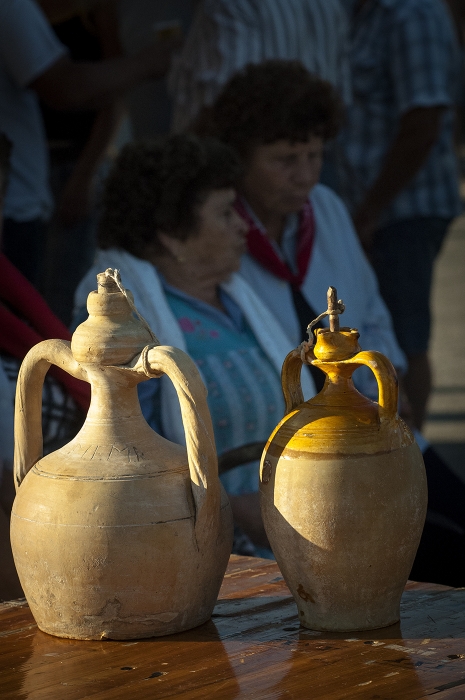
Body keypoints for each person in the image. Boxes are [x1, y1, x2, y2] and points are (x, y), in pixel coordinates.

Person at [193, 59, 465, 586]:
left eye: (315, 155)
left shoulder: (327, 208)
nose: (305, 174)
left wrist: (395, 381)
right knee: (435, 557)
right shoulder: (223, 237)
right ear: (240, 160)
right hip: (312, 455)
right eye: (285, 158)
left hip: (372, 418)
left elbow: (373, 311)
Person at [74, 134, 316, 557]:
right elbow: (127, 451)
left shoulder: (243, 301)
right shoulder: (123, 324)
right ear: (171, 233)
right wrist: (236, 510)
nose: (243, 225)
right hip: (201, 547)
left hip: (290, 528)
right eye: (225, 213)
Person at [337, 0, 462, 431]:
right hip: (369, 208)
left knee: (404, 339)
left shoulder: (415, 13)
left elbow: (425, 120)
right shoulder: (360, 13)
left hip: (404, 208)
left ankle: (413, 461)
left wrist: (370, 209)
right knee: (381, 331)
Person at [0, 0, 180, 288]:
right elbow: (65, 87)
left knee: (61, 289)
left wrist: (86, 174)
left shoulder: (98, 11)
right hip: (27, 184)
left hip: (71, 166)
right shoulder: (21, 11)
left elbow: (111, 100)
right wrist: (147, 63)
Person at [168, 0, 351, 133]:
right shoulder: (331, 5)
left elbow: (227, 106)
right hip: (307, 157)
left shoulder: (233, 5)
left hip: (237, 168)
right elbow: (340, 97)